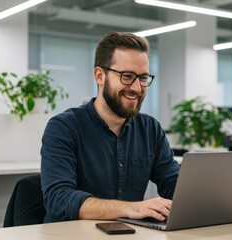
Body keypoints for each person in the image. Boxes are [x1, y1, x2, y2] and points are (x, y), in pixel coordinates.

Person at [40, 32, 180, 223]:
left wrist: (202, 197)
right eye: (127, 76)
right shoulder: (64, 127)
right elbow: (59, 199)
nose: (137, 88)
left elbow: (173, 184)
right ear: (100, 76)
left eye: (143, 78)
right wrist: (131, 208)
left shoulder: (150, 129)